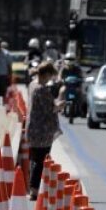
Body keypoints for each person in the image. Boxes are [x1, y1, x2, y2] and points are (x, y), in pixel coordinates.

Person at [26, 62, 62, 199]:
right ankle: (34, 190)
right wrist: (60, 105)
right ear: (46, 74)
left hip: (32, 129)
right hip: (42, 130)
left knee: (35, 159)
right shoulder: (42, 90)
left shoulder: (32, 85)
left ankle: (33, 187)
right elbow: (50, 109)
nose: (50, 79)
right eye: (50, 76)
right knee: (41, 160)